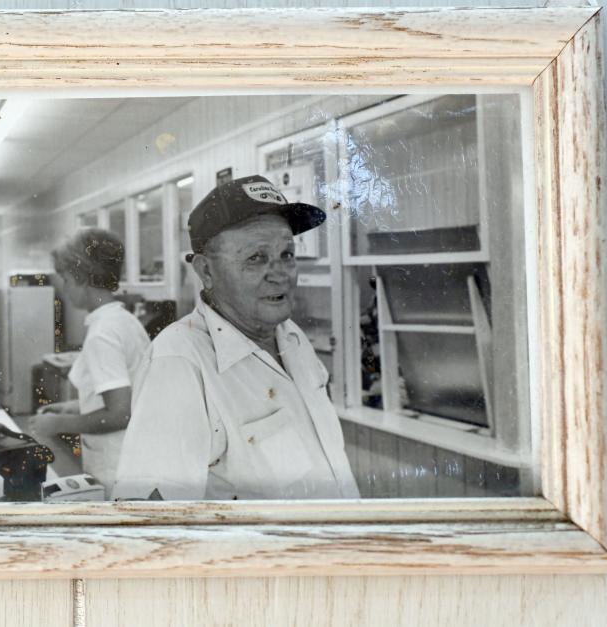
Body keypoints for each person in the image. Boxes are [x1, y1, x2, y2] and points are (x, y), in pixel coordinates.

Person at [113, 175, 359, 501]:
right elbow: (149, 521)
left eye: (286, 254)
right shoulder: (179, 363)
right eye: (256, 258)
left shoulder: (291, 336)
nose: (280, 273)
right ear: (206, 272)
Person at [29, 228, 150, 496]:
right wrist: (73, 408)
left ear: (81, 278)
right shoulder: (124, 321)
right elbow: (123, 395)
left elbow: (121, 412)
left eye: (65, 279)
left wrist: (59, 425)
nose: (64, 287)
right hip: (137, 458)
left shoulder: (102, 335)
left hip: (116, 468)